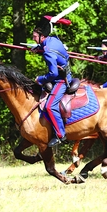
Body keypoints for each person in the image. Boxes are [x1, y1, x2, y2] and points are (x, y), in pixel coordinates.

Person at [31, 15, 72, 147]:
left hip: (61, 79)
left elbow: (53, 73)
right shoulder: (52, 40)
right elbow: (48, 49)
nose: (33, 38)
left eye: (35, 36)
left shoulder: (48, 51)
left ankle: (60, 134)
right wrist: (38, 49)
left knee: (49, 106)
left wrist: (40, 79)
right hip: (61, 74)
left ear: (42, 36)